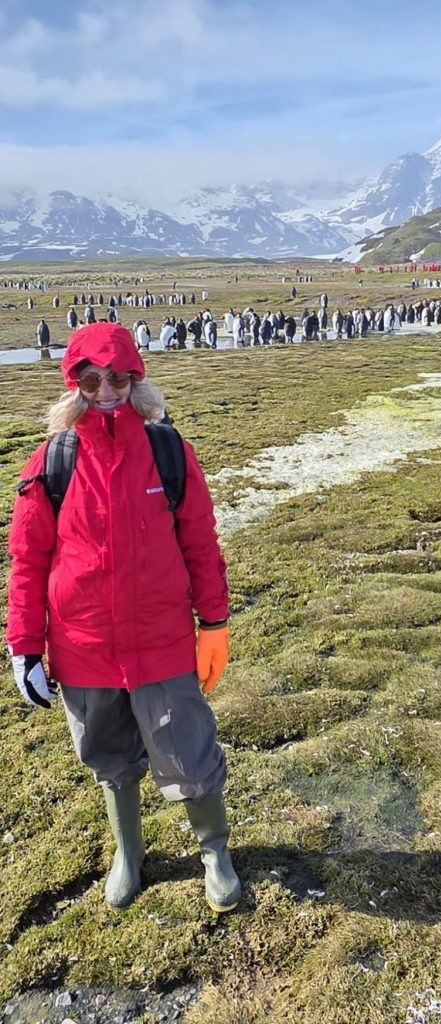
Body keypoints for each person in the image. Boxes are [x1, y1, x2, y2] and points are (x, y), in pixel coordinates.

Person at [6, 322, 240, 914]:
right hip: (83, 645)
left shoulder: (168, 450)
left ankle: (215, 852)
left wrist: (214, 624)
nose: (105, 389)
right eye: (91, 379)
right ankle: (128, 854)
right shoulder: (53, 459)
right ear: (74, 385)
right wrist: (24, 646)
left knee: (186, 749)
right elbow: (28, 559)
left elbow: (200, 544)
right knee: (108, 756)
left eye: (117, 377)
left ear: (136, 379)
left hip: (160, 639)